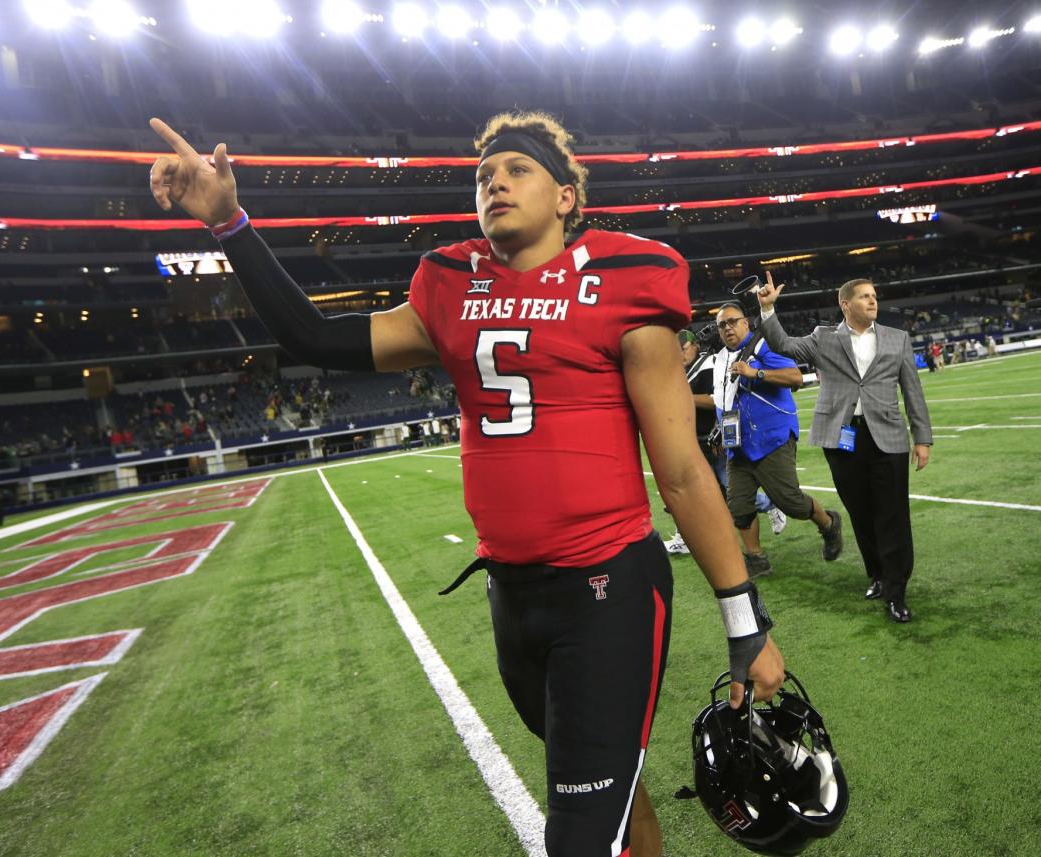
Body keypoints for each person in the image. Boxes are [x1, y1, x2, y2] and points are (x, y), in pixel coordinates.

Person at [148, 110, 786, 857]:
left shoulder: (626, 278)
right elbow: (313, 336)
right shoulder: (450, 285)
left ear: (565, 198)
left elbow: (679, 470)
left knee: (578, 836)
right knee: (616, 782)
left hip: (606, 589)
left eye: (516, 170)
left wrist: (746, 622)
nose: (495, 183)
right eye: (484, 175)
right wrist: (229, 223)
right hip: (512, 598)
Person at [757, 275, 932, 623]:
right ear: (845, 304)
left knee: (893, 515)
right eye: (864, 296)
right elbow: (782, 345)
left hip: (889, 437)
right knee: (861, 512)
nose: (872, 301)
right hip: (842, 438)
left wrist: (922, 437)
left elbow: (913, 390)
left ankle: (897, 590)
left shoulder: (897, 339)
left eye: (874, 296)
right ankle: (878, 576)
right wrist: (767, 309)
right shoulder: (824, 338)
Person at [711, 303, 843, 577]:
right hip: (738, 445)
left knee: (790, 502)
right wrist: (721, 430)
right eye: (721, 325)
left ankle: (829, 523)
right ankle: (756, 558)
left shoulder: (764, 346)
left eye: (732, 322)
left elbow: (795, 377)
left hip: (772, 438)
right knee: (739, 506)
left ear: (745, 323)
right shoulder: (720, 358)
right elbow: (723, 399)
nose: (727, 328)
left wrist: (755, 373)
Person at [664, 330, 786, 557]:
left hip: (715, 439)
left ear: (695, 345)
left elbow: (717, 400)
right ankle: (685, 537)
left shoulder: (710, 365)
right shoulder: (683, 370)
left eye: (683, 349)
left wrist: (683, 398)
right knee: (699, 492)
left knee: (729, 491)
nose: (679, 355)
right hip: (694, 441)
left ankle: (770, 504)